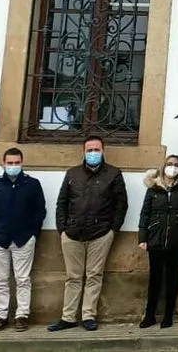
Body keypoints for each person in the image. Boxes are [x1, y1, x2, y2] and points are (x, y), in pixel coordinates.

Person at [48, 136, 128, 332]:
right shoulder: (72, 174)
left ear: (103, 151)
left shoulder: (114, 174)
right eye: (89, 150)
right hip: (72, 233)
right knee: (73, 277)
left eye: (96, 149)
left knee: (94, 275)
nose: (93, 153)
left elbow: (121, 204)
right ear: (83, 152)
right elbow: (62, 203)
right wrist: (62, 228)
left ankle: (88, 316)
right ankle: (68, 317)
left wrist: (112, 230)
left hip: (100, 234)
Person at [0, 147, 46, 333]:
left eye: (17, 163)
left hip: (24, 239)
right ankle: (1, 316)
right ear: (3, 164)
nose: (13, 166)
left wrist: (33, 234)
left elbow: (40, 210)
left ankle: (22, 316)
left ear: (22, 163)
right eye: (10, 163)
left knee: (23, 279)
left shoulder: (32, 185)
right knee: (0, 280)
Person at [138, 154, 178, 329]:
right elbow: (145, 213)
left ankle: (168, 315)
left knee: (172, 277)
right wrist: (143, 237)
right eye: (169, 164)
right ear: (163, 166)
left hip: (176, 240)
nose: (172, 167)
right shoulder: (153, 187)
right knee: (155, 278)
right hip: (155, 238)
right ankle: (149, 315)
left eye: (176, 165)